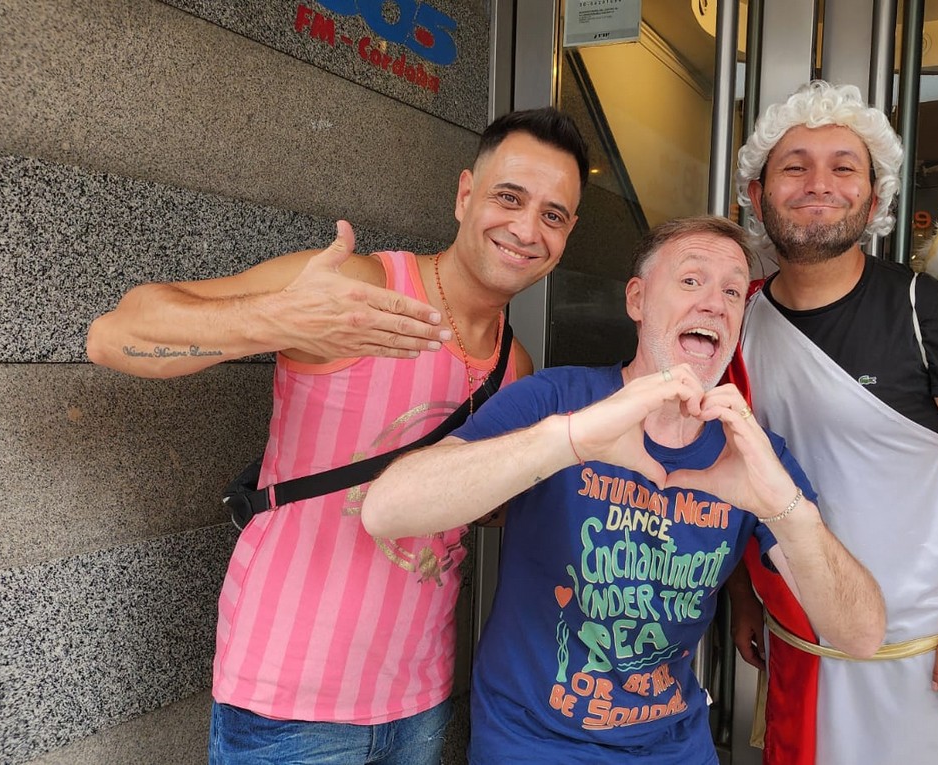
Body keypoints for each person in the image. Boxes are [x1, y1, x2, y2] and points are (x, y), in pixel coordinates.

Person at [85, 107, 590, 765]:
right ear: (465, 196)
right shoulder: (361, 286)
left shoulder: (511, 363)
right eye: (509, 197)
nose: (526, 229)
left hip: (419, 698)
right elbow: (115, 335)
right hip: (289, 703)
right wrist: (276, 319)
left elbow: (468, 507)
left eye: (552, 215)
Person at [359, 216, 886, 764]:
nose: (715, 303)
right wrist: (570, 440)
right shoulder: (559, 399)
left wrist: (787, 511)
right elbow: (388, 508)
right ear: (637, 299)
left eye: (732, 290)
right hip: (533, 744)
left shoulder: (752, 452)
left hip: (673, 745)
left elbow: (860, 635)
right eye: (690, 281)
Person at [731, 80, 938, 764]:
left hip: (921, 654)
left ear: (874, 197)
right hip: (798, 637)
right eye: (794, 165)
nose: (819, 183)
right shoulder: (737, 318)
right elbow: (735, 473)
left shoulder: (933, 313)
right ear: (757, 194)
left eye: (844, 166)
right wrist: (745, 596)